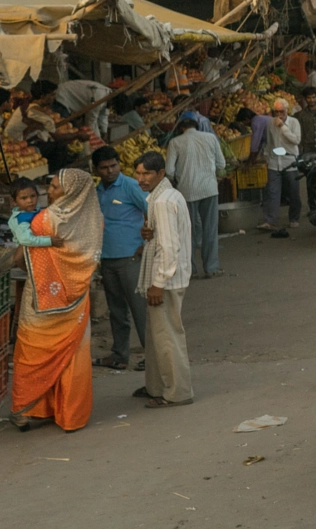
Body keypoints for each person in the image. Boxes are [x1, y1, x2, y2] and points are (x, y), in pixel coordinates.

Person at [10, 168, 101, 432]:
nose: (47, 193)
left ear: (70, 191)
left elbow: (20, 258)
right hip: (77, 299)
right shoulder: (94, 219)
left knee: (32, 352)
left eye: (54, 187)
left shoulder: (42, 221)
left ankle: (28, 410)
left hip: (40, 300)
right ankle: (70, 415)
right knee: (74, 356)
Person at [134, 150, 195, 407]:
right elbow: (167, 236)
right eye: (137, 173)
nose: (141, 178)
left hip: (166, 279)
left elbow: (170, 247)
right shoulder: (166, 196)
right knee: (157, 336)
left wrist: (158, 282)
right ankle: (156, 386)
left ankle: (177, 392)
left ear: (160, 173)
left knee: (168, 336)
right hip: (167, 276)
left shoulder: (161, 201)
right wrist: (150, 234)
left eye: (147, 173)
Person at [89, 147, 151, 372]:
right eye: (104, 168)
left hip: (131, 257)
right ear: (96, 169)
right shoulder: (97, 191)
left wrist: (147, 244)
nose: (110, 171)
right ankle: (120, 355)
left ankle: (152, 356)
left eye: (113, 166)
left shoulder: (130, 186)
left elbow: (152, 210)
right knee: (116, 311)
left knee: (140, 310)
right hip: (107, 257)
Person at [165, 117, 227, 278]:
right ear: (196, 126)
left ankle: (189, 269)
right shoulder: (211, 138)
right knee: (210, 229)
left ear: (181, 128)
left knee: (187, 231)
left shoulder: (175, 143)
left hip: (187, 191)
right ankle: (211, 267)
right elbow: (221, 164)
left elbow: (169, 171)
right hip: (209, 189)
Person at [259, 96, 302, 237]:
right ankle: (270, 220)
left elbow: (295, 140)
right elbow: (269, 142)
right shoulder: (271, 124)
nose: (279, 115)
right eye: (276, 112)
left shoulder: (294, 122)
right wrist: (266, 156)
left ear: (287, 111)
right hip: (274, 162)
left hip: (289, 162)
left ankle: (294, 217)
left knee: (293, 191)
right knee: (272, 191)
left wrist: (283, 127)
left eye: (281, 112)